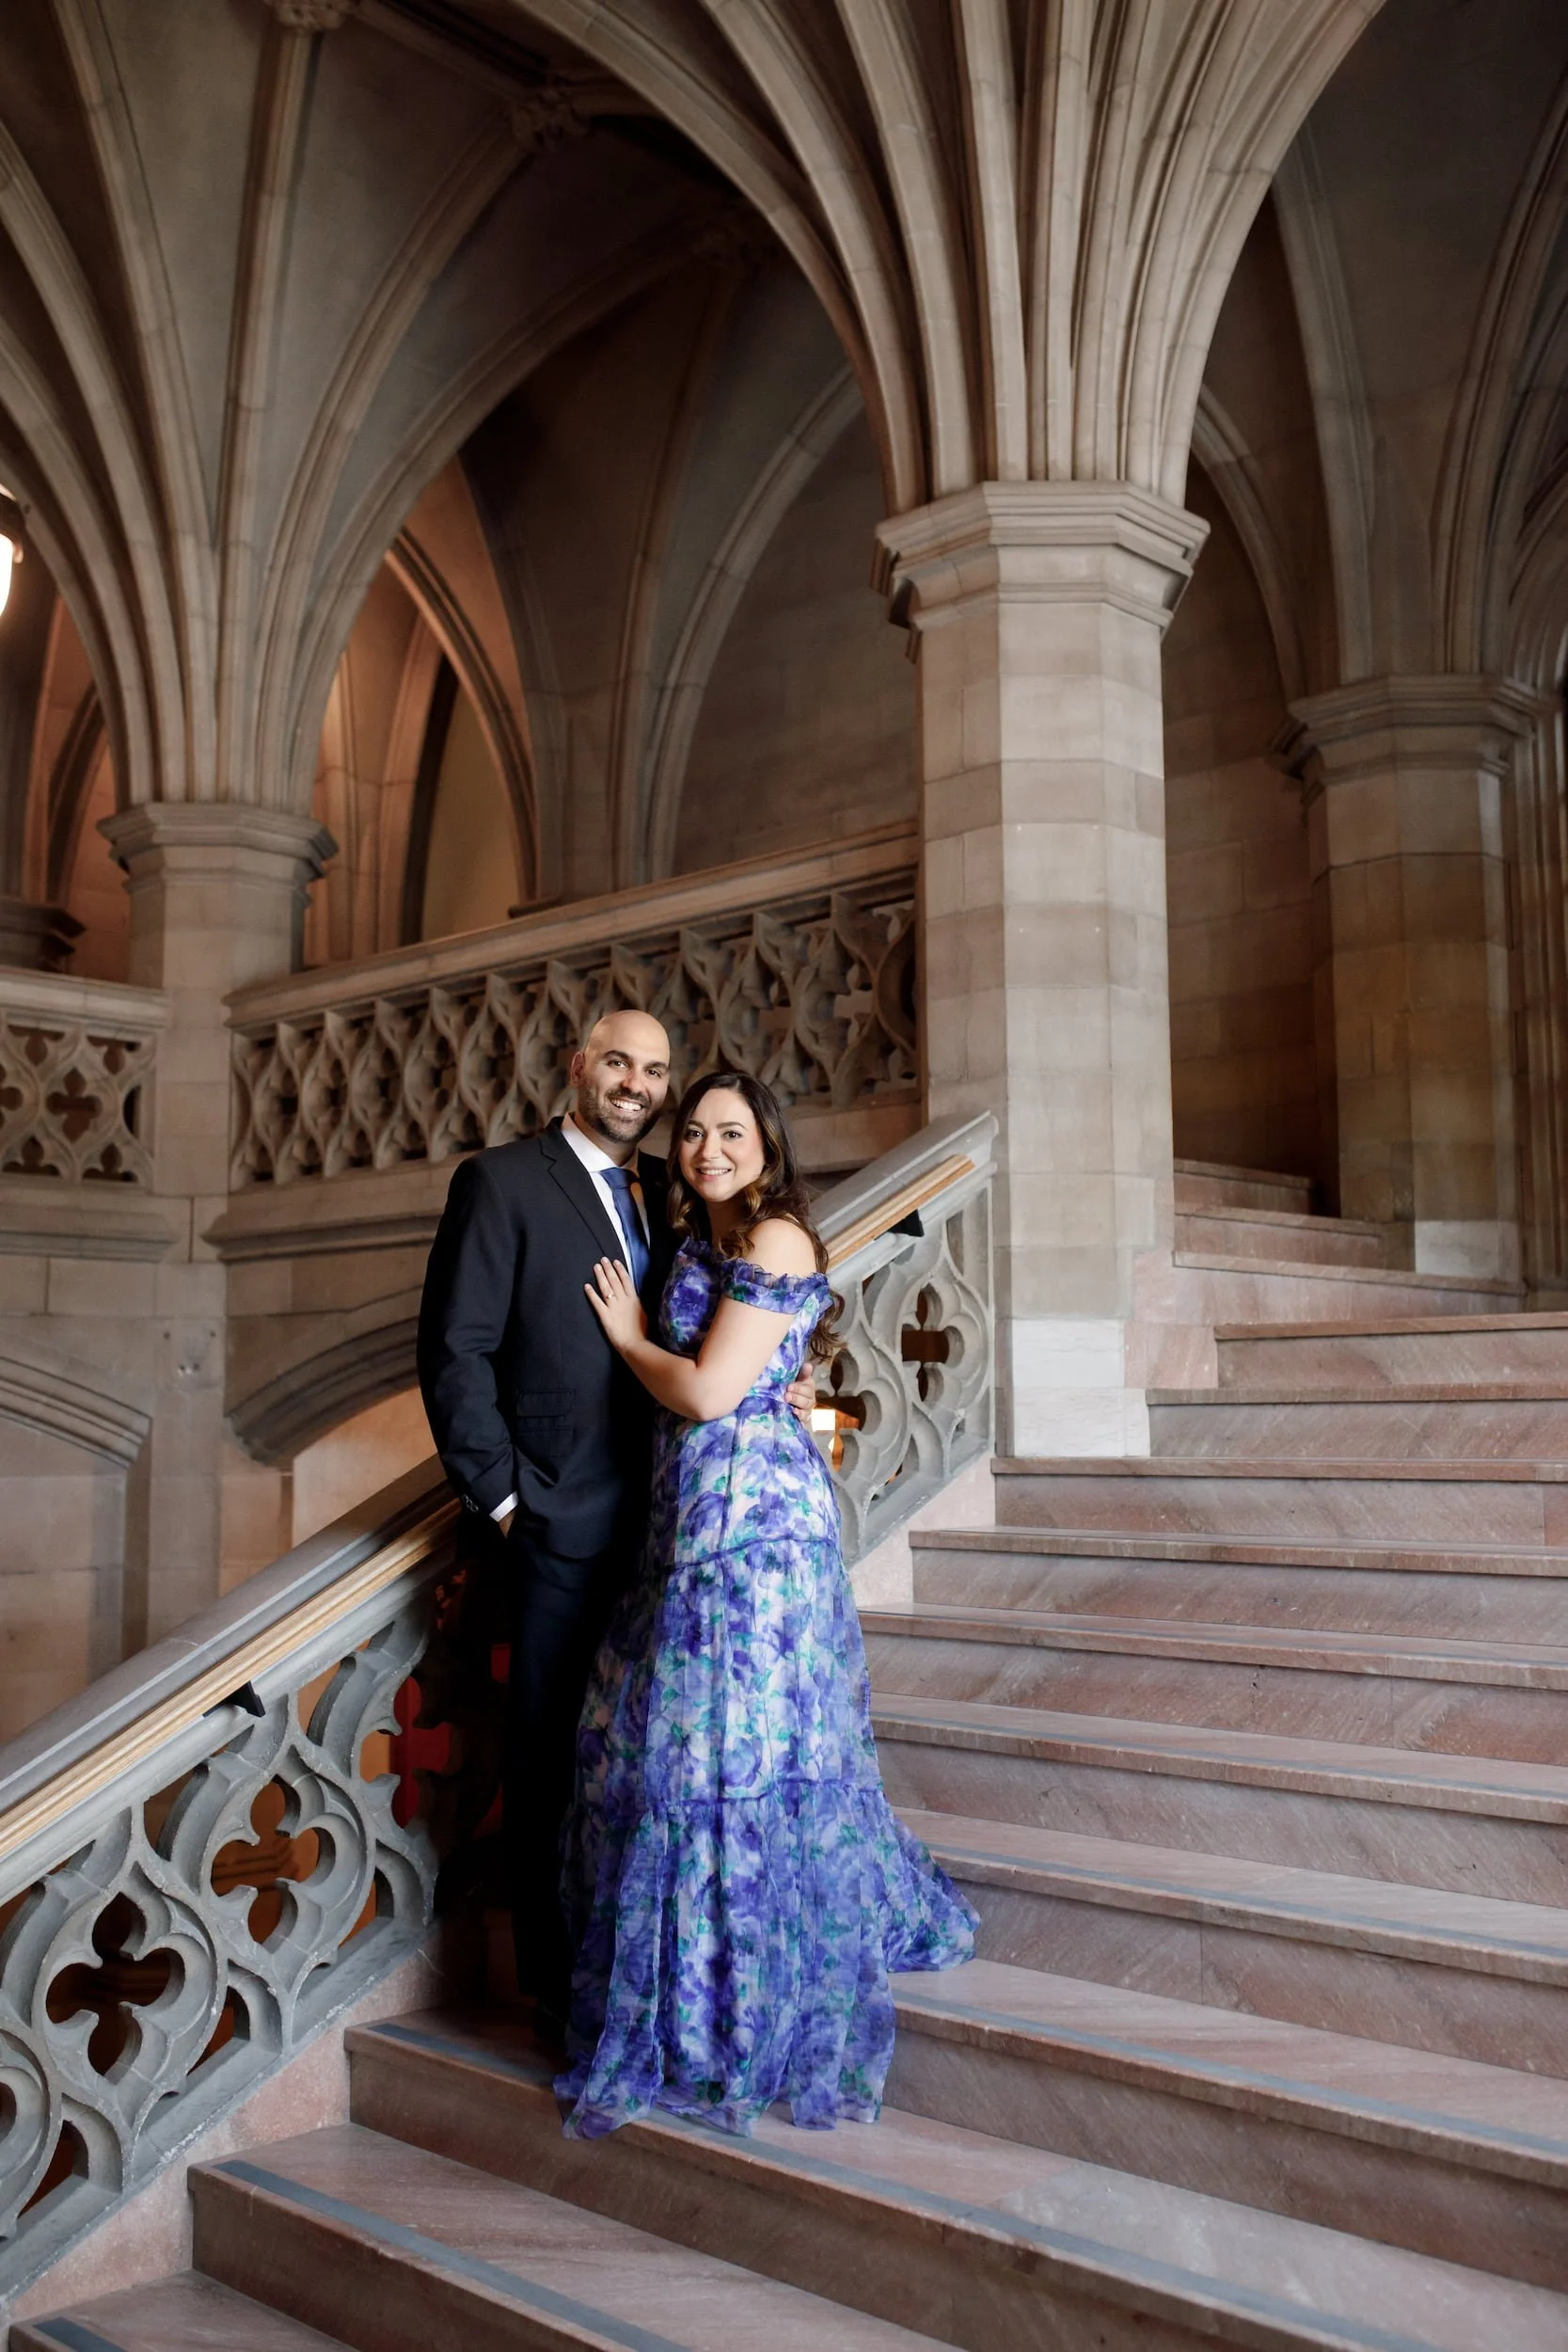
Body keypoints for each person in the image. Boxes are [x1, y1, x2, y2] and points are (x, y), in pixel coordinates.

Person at [557, 1068, 976, 2138]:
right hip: (690, 1515)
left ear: (766, 1143)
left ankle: (734, 2002)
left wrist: (625, 1341)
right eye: (692, 1131)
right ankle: (695, 1985)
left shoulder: (777, 1238)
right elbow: (756, 1370)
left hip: (753, 1528)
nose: (707, 1147)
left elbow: (701, 1391)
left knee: (731, 1758)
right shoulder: (700, 1239)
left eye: (730, 1131)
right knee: (688, 1753)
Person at [416, 1011, 813, 2034]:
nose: (637, 1085)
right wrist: (503, 1500)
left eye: (655, 1072)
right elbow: (453, 1351)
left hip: (674, 1527)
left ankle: (635, 1969)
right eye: (619, 1063)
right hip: (556, 1520)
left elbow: (714, 1342)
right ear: (578, 1065)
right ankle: (556, 1990)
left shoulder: (666, 1202)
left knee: (638, 1763)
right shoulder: (501, 1181)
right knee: (548, 1757)